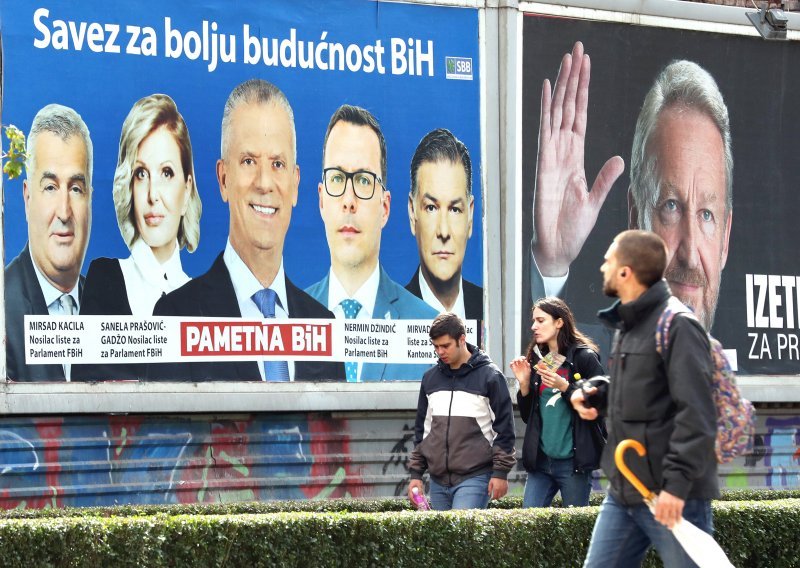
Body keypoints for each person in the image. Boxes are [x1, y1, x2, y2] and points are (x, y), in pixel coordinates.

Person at [149, 79, 344, 382]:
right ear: (223, 179)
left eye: (278, 164)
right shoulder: (177, 316)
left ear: (295, 184)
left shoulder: (323, 326)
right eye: (249, 161)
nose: (264, 182)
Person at [530, 43, 732, 333]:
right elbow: (546, 370)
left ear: (724, 241)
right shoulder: (590, 361)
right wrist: (551, 265)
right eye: (671, 206)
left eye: (707, 215)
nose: (690, 253)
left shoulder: (747, 376)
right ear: (636, 221)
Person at [571, 230, 717, 567]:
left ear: (626, 272)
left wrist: (676, 487)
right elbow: (647, 390)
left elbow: (697, 414)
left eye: (608, 261)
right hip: (626, 489)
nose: (602, 268)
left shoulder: (679, 326)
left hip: (672, 495)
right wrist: (599, 394)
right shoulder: (630, 324)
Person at [74, 95, 202, 381]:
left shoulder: (206, 300)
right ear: (129, 186)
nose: (153, 194)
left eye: (167, 173)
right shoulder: (104, 278)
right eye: (141, 173)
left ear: (187, 190)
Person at [306, 104, 437, 382]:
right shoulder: (289, 322)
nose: (349, 201)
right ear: (321, 200)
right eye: (337, 178)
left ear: (385, 208)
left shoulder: (430, 330)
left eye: (364, 181)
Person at [5, 104, 93, 381]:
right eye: (51, 187)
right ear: (27, 197)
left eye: (76, 189)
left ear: (90, 199)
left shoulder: (104, 305)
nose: (64, 212)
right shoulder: (3, 308)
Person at [407, 312, 516, 510]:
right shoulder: (430, 379)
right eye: (436, 347)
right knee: (444, 541)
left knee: (462, 538)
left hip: (475, 476)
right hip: (438, 480)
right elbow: (423, 431)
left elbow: (505, 430)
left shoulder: (490, 377)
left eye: (445, 345)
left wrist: (500, 473)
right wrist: (416, 475)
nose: (440, 351)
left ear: (462, 339)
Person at [509, 297, 605, 508]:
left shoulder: (584, 357)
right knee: (528, 523)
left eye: (541, 320)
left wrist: (566, 387)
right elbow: (528, 416)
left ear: (559, 322)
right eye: (533, 321)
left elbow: (599, 404)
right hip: (541, 461)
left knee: (575, 528)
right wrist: (524, 384)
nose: (534, 326)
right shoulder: (545, 360)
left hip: (573, 463)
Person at [405, 128, 482, 322]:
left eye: (455, 209)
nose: (444, 231)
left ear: (470, 215)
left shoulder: (492, 310)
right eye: (431, 208)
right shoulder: (385, 317)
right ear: (412, 213)